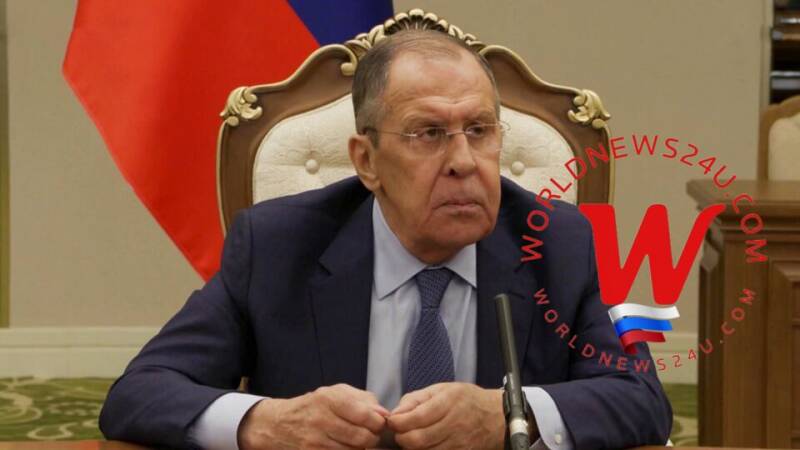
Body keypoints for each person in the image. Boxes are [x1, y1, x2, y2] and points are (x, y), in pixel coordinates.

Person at [99, 29, 672, 450]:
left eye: (479, 131)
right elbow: (140, 392)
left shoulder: (560, 244)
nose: (464, 162)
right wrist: (266, 423)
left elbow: (643, 399)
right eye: (429, 134)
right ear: (367, 161)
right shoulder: (277, 246)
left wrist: (509, 413)